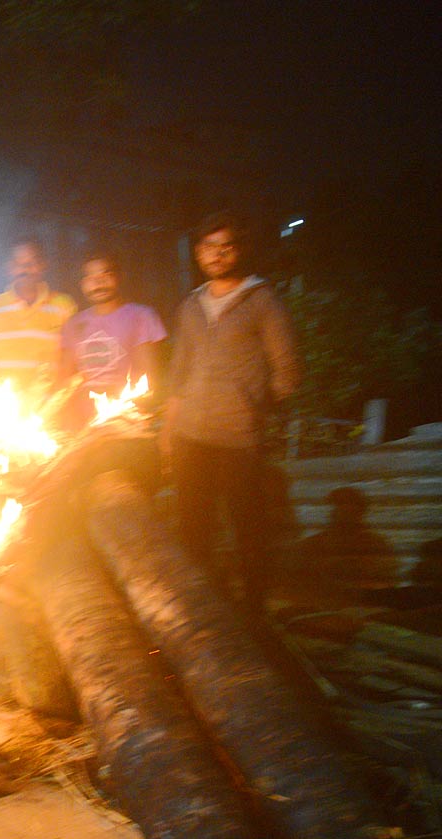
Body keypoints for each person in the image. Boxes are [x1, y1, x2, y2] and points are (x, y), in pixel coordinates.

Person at [163, 211, 302, 615]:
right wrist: (167, 432)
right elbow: (178, 372)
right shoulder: (190, 306)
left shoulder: (262, 302)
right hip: (190, 436)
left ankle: (253, 611)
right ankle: (202, 611)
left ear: (238, 251)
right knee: (193, 530)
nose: (218, 255)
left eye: (226, 247)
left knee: (249, 530)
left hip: (240, 439)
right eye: (209, 247)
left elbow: (288, 371)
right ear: (198, 253)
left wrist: (250, 407)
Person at [59, 248, 167, 426]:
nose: (98, 282)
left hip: (127, 418)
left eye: (105, 274)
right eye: (90, 277)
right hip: (84, 423)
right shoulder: (73, 324)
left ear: (118, 277)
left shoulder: (140, 316)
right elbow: (65, 377)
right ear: (82, 284)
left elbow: (148, 374)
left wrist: (133, 411)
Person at [0, 238, 77, 388]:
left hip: (51, 406)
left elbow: (72, 356)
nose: (25, 268)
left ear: (43, 265)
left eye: (32, 262)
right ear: (9, 268)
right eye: (18, 263)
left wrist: (62, 390)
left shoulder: (64, 305)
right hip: (5, 406)